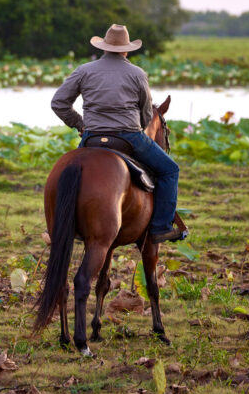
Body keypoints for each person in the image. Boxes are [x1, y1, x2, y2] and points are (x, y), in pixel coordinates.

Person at [51, 23, 185, 244]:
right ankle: (161, 227)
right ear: (126, 50)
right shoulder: (137, 73)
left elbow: (59, 103)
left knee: (69, 174)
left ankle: (57, 228)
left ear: (104, 47)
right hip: (129, 138)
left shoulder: (84, 70)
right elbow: (146, 113)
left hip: (92, 137)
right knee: (170, 170)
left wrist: (80, 124)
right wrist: (138, 125)